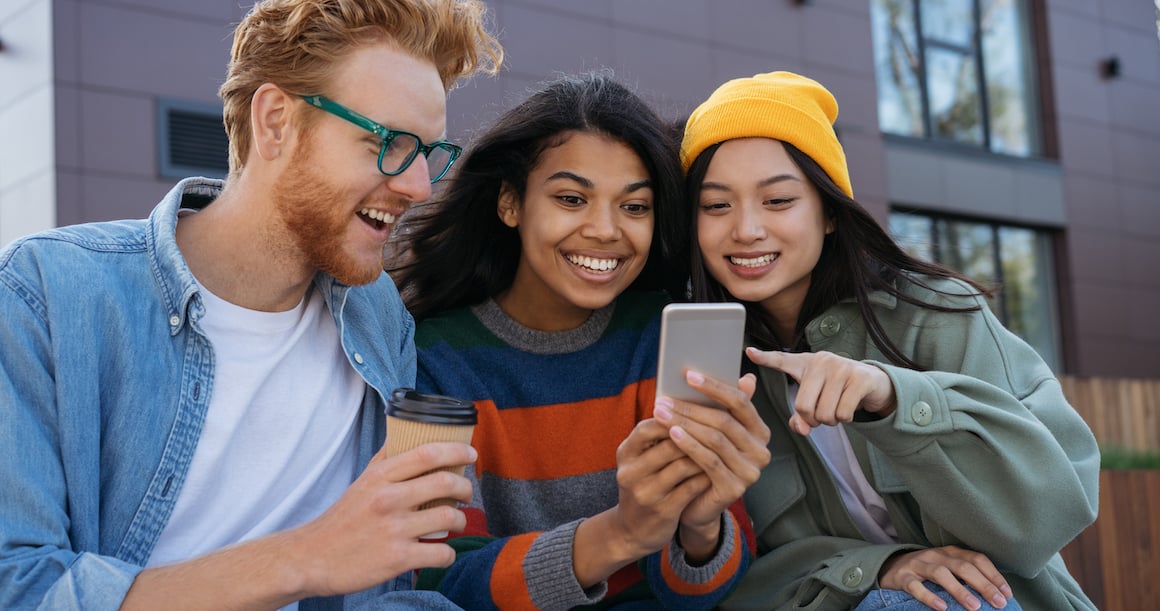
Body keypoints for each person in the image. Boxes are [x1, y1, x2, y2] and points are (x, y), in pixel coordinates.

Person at [0, 1, 503, 609]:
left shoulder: (378, 315)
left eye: (427, 152)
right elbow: (20, 586)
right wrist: (303, 556)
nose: (419, 186)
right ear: (275, 123)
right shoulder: (47, 294)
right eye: (388, 142)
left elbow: (381, 589)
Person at [678, 70, 1099, 611]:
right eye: (716, 206)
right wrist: (880, 569)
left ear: (829, 212)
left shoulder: (939, 313)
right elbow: (735, 582)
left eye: (778, 201)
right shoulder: (706, 368)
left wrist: (894, 398)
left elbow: (1050, 512)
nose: (746, 229)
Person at [389, 71, 772, 610]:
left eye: (634, 206)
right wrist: (619, 534)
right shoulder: (435, 359)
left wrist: (702, 524)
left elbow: (705, 594)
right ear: (510, 203)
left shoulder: (667, 335)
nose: (605, 230)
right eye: (572, 198)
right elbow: (435, 585)